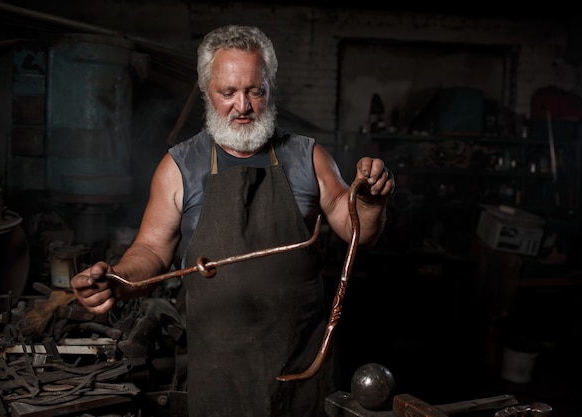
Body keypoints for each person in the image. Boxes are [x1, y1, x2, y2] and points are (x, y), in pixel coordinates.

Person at [70, 24, 394, 417]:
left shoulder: (308, 157)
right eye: (228, 93)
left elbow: (356, 230)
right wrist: (118, 283)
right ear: (207, 90)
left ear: (270, 87)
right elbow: (152, 250)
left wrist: (372, 201)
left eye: (254, 91)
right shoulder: (179, 167)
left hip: (303, 365)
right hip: (220, 371)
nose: (242, 106)